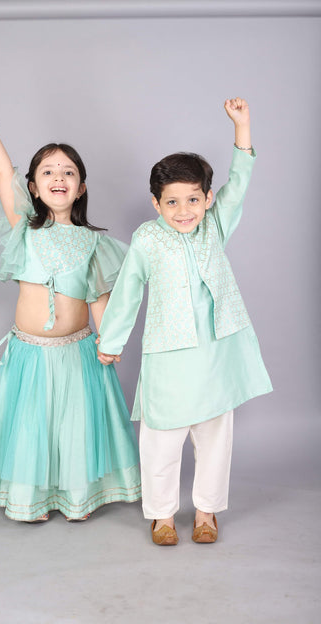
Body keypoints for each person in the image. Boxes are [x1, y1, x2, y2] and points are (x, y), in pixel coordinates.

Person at [97, 98, 272, 545]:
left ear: (208, 199)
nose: (184, 210)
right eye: (172, 202)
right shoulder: (147, 239)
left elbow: (240, 181)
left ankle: (207, 512)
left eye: (193, 199)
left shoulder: (215, 225)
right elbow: (128, 291)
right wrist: (111, 341)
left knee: (215, 435)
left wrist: (242, 126)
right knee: (161, 437)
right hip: (168, 353)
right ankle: (162, 515)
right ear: (156, 203)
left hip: (215, 351)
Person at [0, 83, 141, 522]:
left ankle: (77, 498)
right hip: (29, 352)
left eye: (68, 172)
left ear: (81, 188)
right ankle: (33, 499)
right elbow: (2, 170)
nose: (58, 178)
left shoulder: (94, 243)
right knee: (33, 426)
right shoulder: (24, 229)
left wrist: (110, 341)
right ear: (33, 187)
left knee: (75, 425)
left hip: (77, 351)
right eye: (48, 172)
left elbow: (99, 298)